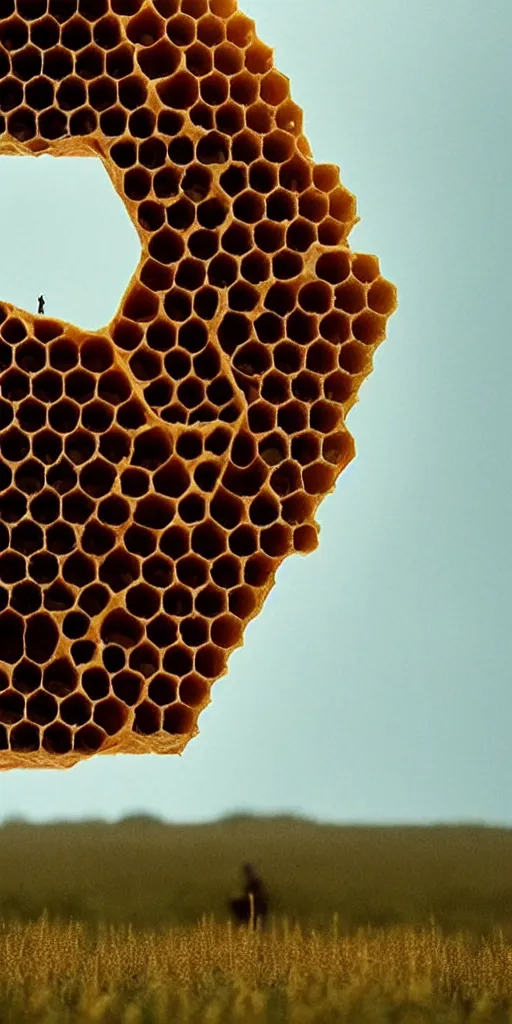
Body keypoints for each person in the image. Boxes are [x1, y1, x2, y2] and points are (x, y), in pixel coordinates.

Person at [229, 862, 269, 930]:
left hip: (256, 904)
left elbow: (255, 894)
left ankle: (245, 924)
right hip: (257, 903)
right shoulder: (254, 880)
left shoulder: (254, 881)